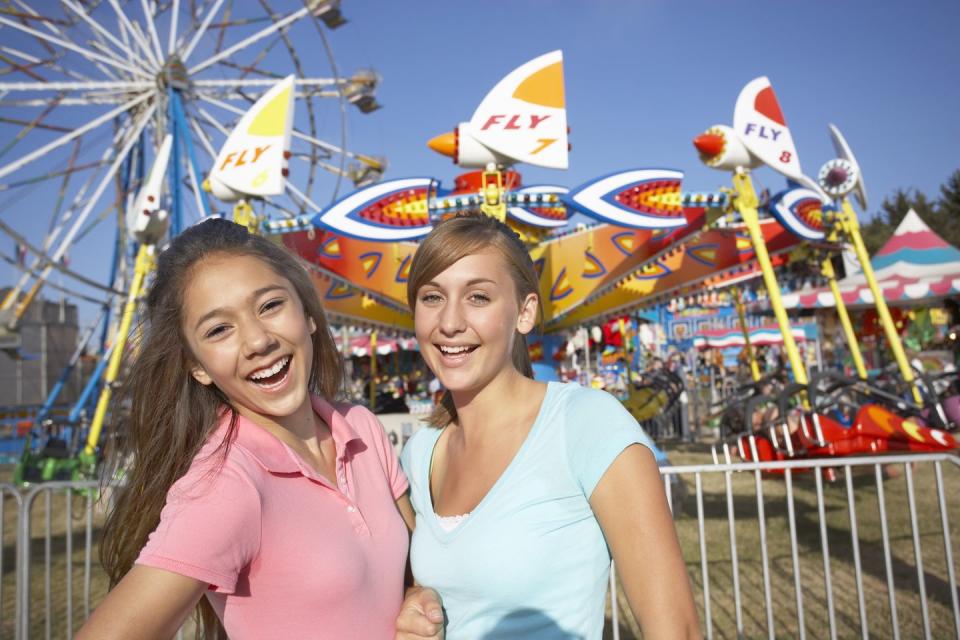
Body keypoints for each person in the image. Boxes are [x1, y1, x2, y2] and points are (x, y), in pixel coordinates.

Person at [77, 219, 419, 639]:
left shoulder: (361, 429)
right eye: (220, 329)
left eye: (270, 306)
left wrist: (418, 599)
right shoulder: (227, 481)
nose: (257, 341)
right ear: (197, 366)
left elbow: (415, 567)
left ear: (308, 314)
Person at [396, 214, 701, 639]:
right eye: (432, 297)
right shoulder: (420, 450)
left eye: (478, 297)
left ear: (524, 312)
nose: (449, 322)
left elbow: (676, 630)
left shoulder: (586, 424)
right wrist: (415, 607)